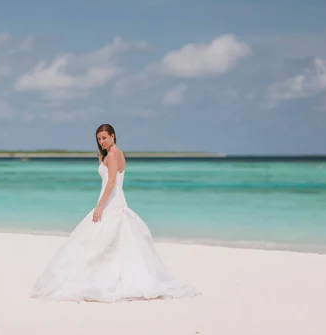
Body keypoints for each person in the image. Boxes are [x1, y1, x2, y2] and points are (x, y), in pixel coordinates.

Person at [29, 124, 200, 302]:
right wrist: (101, 164)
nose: (101, 142)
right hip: (116, 200)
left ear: (113, 136)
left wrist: (100, 206)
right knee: (108, 240)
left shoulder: (112, 154)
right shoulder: (116, 154)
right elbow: (112, 177)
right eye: (98, 139)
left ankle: (102, 279)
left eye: (104, 138)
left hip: (111, 202)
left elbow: (111, 183)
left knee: (101, 239)